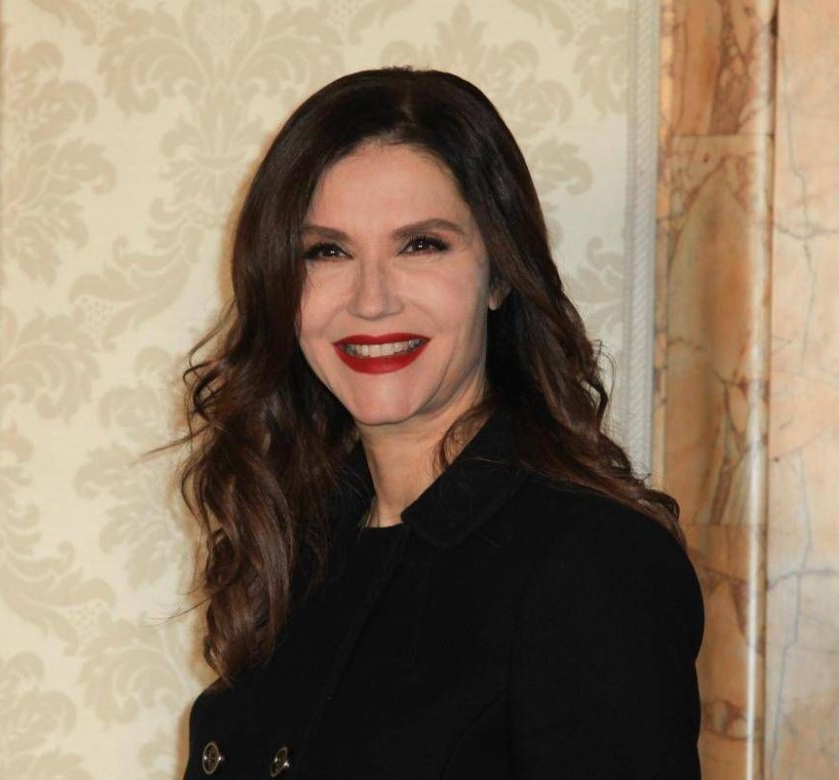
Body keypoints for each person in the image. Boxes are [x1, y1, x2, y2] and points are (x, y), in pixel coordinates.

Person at [177, 68, 702, 779]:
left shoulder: (592, 563)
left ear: (500, 274)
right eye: (327, 251)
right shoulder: (293, 544)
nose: (371, 300)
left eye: (420, 244)